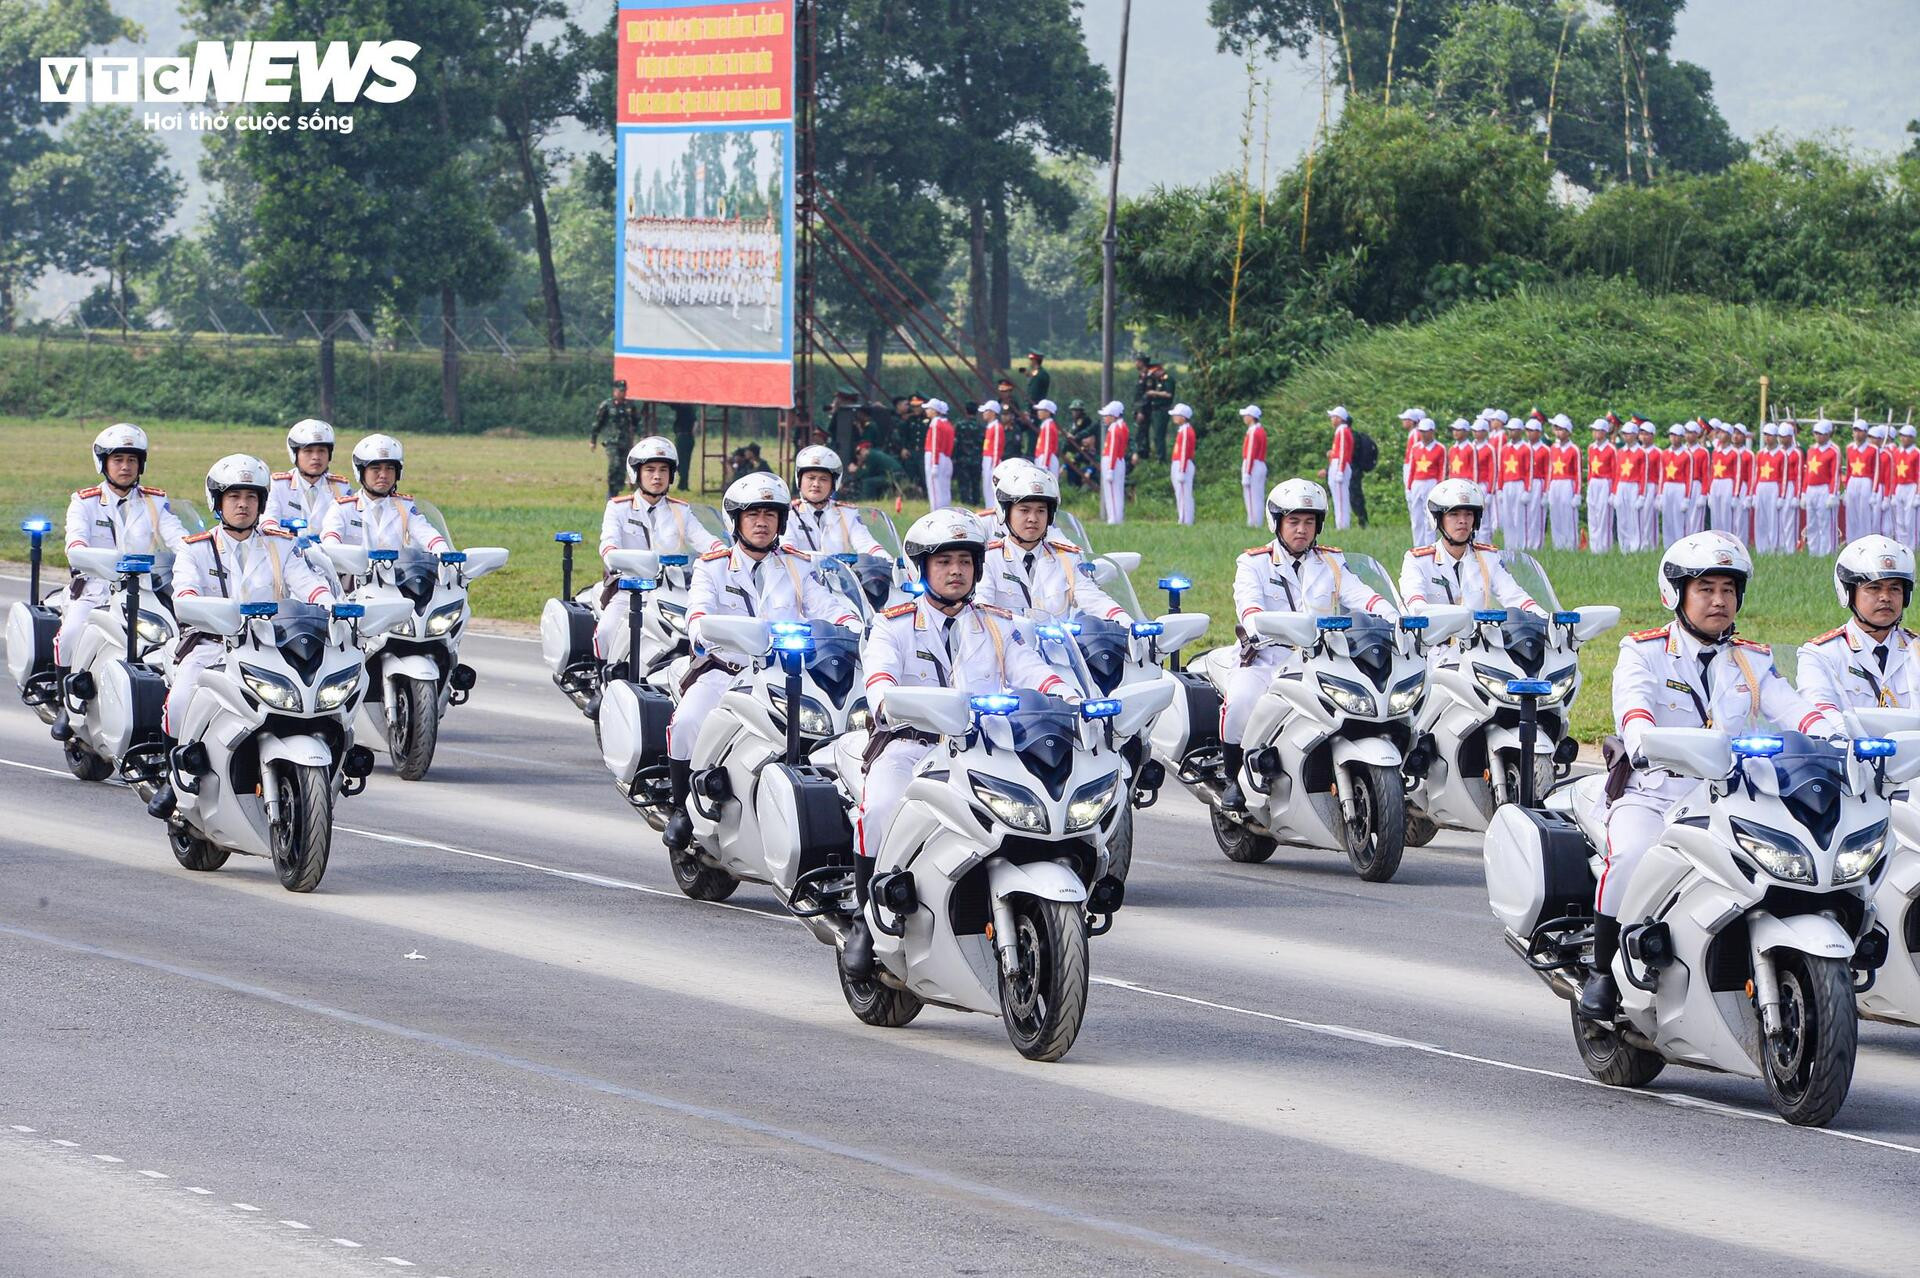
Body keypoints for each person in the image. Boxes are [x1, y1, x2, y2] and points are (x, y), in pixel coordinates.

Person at [1582, 532, 1837, 1020]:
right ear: (1675, 594)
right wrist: (1644, 739)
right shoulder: (1644, 651)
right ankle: (1602, 970)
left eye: (1728, 589)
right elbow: (1633, 711)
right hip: (1655, 794)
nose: (1719, 600)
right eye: (1705, 589)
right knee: (1632, 855)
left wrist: (1837, 738)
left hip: (1727, 800)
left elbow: (1795, 710)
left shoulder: (1752, 658)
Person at [844, 509, 1071, 977]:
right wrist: (887, 698)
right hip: (910, 744)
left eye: (965, 562)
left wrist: (1066, 694)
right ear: (922, 568)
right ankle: (866, 920)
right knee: (882, 807)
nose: (955, 571)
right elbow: (879, 677)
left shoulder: (998, 622)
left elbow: (1029, 667)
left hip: (983, 748)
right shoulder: (894, 622)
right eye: (944, 561)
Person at [662, 475, 862, 851]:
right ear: (735, 520)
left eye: (770, 514)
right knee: (688, 722)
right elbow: (698, 614)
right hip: (725, 673)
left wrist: (852, 626)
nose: (761, 522)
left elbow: (827, 604)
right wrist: (707, 631)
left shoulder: (797, 566)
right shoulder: (713, 566)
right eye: (752, 514)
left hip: (785, 676)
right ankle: (682, 807)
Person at [147, 455, 336, 819]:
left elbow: (307, 581)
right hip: (211, 646)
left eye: (251, 497)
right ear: (217, 502)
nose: (243, 504)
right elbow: (184, 594)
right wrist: (196, 606)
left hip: (269, 647)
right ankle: (175, 780)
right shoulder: (196, 547)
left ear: (262, 502)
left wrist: (329, 603)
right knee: (182, 697)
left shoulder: (279, 544)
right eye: (233, 497)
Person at [1221, 480, 1396, 810]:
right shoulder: (1253, 563)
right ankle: (1234, 778)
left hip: (1317, 659)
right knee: (1242, 701)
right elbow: (1248, 607)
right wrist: (1259, 624)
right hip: (1268, 656)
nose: (1302, 530)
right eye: (1293, 522)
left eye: (1309, 522)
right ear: (1277, 523)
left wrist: (1393, 617)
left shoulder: (1331, 562)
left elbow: (1361, 595)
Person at [49, 424, 192, 742]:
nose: (126, 466)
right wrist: (90, 558)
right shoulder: (84, 501)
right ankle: (66, 703)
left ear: (141, 464)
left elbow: (177, 536)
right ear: (103, 463)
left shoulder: (155, 501)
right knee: (69, 634)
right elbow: (75, 545)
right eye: (118, 460)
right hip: (95, 589)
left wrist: (195, 553)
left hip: (143, 590)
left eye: (132, 459)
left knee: (172, 641)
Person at [593, 435, 726, 666]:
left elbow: (705, 540)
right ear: (637, 473)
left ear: (671, 475)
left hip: (673, 589)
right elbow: (608, 543)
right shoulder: (619, 508)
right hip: (630, 590)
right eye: (650, 470)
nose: (657, 476)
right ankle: (601, 682)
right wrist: (614, 556)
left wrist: (726, 553)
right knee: (605, 631)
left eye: (664, 470)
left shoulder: (680, 510)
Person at [978, 464, 1132, 623]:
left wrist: (1126, 622)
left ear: (1050, 516)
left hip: (1061, 647)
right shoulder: (988, 559)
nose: (1033, 518)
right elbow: (981, 606)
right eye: (1024, 510)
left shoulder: (1066, 558)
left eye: (1041, 511)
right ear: (1005, 513)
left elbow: (1092, 597)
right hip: (1008, 645)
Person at [1798, 536, 1920, 713]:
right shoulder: (1821, 654)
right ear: (1848, 592)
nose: (1885, 597)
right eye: (1874, 588)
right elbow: (1818, 707)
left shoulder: (1916, 650)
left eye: (1895, 588)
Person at [1398, 480, 1543, 618]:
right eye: (1454, 514)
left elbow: (1515, 596)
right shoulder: (1418, 561)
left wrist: (1546, 618)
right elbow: (1416, 605)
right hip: (1435, 643)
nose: (1463, 520)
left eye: (1468, 514)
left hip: (1481, 642)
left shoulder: (1488, 558)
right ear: (1438, 519)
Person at [319, 435, 451, 554]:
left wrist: (445, 553)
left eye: (390, 468)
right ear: (361, 472)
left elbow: (427, 534)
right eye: (375, 469)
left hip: (398, 578)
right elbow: (330, 542)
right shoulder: (342, 508)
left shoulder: (405, 507)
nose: (383, 475)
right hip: (353, 578)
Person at [264, 418, 352, 532]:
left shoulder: (341, 487)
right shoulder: (278, 484)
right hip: (287, 547)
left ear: (329, 455)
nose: (316, 457)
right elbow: (268, 520)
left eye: (321, 451)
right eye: (308, 451)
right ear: (295, 454)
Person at [590, 379, 644, 499]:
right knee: (614, 465)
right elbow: (598, 423)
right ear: (614, 391)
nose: (622, 393)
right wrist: (593, 440)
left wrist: (641, 435)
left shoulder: (630, 406)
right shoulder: (607, 405)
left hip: (626, 442)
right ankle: (611, 491)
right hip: (612, 442)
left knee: (622, 469)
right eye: (620, 391)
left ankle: (617, 491)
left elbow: (637, 422)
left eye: (624, 391)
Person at [1803, 419, 1841, 556]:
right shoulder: (1811, 450)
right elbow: (1807, 473)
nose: (1818, 436)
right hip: (1811, 489)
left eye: (1821, 433)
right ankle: (1814, 551)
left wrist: (1832, 494)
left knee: (1825, 523)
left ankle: (1827, 552)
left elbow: (1835, 474)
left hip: (1824, 489)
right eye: (1816, 433)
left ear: (1828, 434)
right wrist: (1803, 492)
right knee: (1811, 523)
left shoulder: (1833, 451)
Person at [1405, 419, 1445, 547]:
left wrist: (1440, 487)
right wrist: (1409, 487)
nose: (1423, 434)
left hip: (1431, 482)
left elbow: (1442, 469)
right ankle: (1418, 546)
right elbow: (1412, 468)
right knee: (1416, 517)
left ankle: (1430, 545)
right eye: (1421, 431)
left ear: (1432, 432)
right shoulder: (1415, 447)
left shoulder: (1440, 448)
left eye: (1426, 432)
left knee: (1430, 516)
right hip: (1417, 482)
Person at [1546, 415, 1582, 550]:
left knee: (1568, 515)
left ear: (1567, 431)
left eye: (1560, 429)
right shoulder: (1553, 448)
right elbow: (1550, 469)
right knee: (1556, 515)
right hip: (1555, 483)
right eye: (1556, 429)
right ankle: (1558, 544)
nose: (1557, 432)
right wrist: (1548, 489)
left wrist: (1577, 493)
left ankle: (1571, 544)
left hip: (1568, 483)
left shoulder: (1574, 449)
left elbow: (1578, 472)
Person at [1611, 422, 1644, 554]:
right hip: (1621, 485)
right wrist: (1614, 492)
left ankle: (1635, 546)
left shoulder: (1641, 453)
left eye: (1628, 434)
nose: (1626, 436)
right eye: (1624, 434)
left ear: (1635, 435)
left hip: (1634, 485)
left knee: (1633, 517)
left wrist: (1641, 495)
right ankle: (1623, 547)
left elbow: (1643, 475)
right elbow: (1617, 473)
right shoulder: (1620, 452)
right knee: (1622, 517)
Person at [1844, 418, 1878, 542]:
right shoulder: (1849, 448)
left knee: (1864, 513)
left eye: (1860, 431)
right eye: (1855, 430)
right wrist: (1846, 488)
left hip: (1866, 481)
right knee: (1851, 514)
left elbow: (1876, 471)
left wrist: (1874, 491)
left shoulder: (1873, 449)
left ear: (1865, 433)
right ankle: (1851, 541)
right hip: (1853, 480)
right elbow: (1848, 469)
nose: (1857, 434)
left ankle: (1866, 541)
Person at [1586, 418, 1616, 554]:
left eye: (1598, 430)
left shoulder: (1611, 449)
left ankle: (1604, 547)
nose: (1595, 433)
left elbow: (1616, 471)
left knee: (1604, 515)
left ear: (1604, 432)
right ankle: (1594, 547)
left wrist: (1613, 491)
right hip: (1594, 482)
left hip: (1605, 482)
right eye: (1594, 430)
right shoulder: (1591, 448)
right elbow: (1590, 468)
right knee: (1593, 514)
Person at [1098, 400, 1129, 526]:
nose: (1105, 418)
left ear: (1113, 416)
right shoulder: (1120, 427)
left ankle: (1114, 519)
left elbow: (1112, 449)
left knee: (1112, 491)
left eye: (1107, 415)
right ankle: (1116, 517)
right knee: (1115, 491)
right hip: (1117, 461)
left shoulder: (1115, 428)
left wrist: (1110, 469)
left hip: (1113, 461)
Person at [1324, 406, 1356, 531]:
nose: (1331, 419)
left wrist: (1340, 470)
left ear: (1339, 418)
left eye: (1333, 417)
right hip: (1337, 463)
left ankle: (1342, 525)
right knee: (1338, 496)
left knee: (1341, 497)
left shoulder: (1342, 431)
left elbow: (1343, 451)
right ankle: (1341, 524)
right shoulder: (1341, 431)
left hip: (1339, 465)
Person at [922, 398, 954, 509]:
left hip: (934, 456)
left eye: (929, 409)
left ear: (935, 410)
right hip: (945, 457)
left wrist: (935, 464)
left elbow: (935, 444)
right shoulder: (948, 425)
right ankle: (945, 509)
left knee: (934, 488)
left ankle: (935, 511)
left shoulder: (935, 423)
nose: (926, 411)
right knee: (943, 488)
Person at [1169, 403, 1198, 525]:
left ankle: (1186, 520)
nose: (1174, 417)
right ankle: (1183, 518)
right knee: (1180, 493)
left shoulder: (1186, 431)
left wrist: (1181, 470)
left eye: (1177, 415)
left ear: (1183, 417)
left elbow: (1184, 451)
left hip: (1183, 464)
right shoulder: (1182, 430)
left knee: (1184, 494)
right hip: (1180, 463)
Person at [1240, 405, 1268, 528]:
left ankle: (1253, 522)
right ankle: (1256, 521)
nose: (1244, 418)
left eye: (1246, 415)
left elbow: (1251, 452)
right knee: (1257, 495)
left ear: (1251, 417)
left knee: (1252, 495)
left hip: (1253, 464)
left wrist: (1247, 472)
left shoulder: (1253, 432)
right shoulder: (1259, 430)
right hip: (1259, 464)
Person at [1894, 426, 1920, 548]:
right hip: (1899, 486)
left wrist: (1918, 495)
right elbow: (1894, 473)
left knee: (1910, 520)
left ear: (1912, 438)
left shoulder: (1917, 453)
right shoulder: (1897, 452)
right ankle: (1902, 545)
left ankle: (1913, 546)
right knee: (1900, 520)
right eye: (1902, 436)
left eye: (1906, 436)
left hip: (1911, 487)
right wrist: (1893, 493)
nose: (1903, 439)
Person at [978, 400, 1005, 504]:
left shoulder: (997, 427)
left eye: (986, 411)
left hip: (992, 460)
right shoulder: (990, 427)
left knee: (991, 488)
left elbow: (997, 447)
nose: (983, 413)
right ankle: (988, 507)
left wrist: (994, 465)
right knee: (986, 487)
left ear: (993, 412)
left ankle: (992, 510)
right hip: (987, 458)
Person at [1032, 398, 1062, 478]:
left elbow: (1047, 447)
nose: (1038, 412)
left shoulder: (1048, 426)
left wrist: (1045, 464)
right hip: (1044, 457)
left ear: (1048, 412)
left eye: (1041, 410)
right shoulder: (1046, 425)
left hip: (1047, 458)